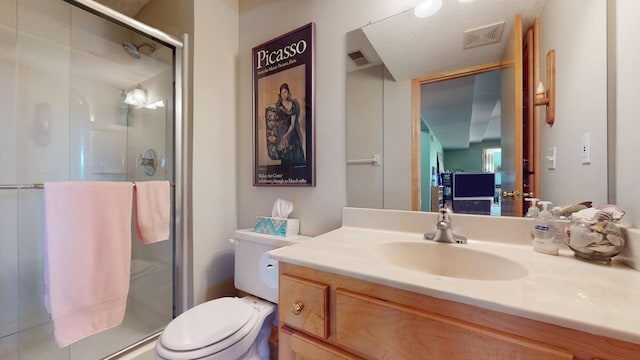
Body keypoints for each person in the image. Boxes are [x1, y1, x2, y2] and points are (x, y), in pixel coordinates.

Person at [274, 83, 305, 164]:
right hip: (281, 134)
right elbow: (277, 123)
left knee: (295, 159)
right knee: (285, 161)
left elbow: (292, 123)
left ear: (288, 92)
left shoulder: (293, 104)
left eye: (285, 92)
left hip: (291, 133)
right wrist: (282, 136)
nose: (284, 95)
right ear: (280, 95)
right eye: (282, 93)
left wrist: (287, 134)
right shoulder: (279, 106)